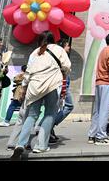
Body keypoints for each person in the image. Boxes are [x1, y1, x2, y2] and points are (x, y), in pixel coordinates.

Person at [10, 31, 71, 160]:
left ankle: (20, 145)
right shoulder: (59, 49)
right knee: (49, 114)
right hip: (51, 85)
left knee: (31, 116)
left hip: (34, 87)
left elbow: (28, 72)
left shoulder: (35, 52)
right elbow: (67, 66)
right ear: (53, 39)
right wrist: (61, 71)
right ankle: (40, 145)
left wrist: (24, 88)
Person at [88, 32, 109, 146]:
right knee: (104, 110)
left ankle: (92, 135)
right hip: (106, 83)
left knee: (97, 110)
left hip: (99, 82)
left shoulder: (103, 51)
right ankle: (101, 136)